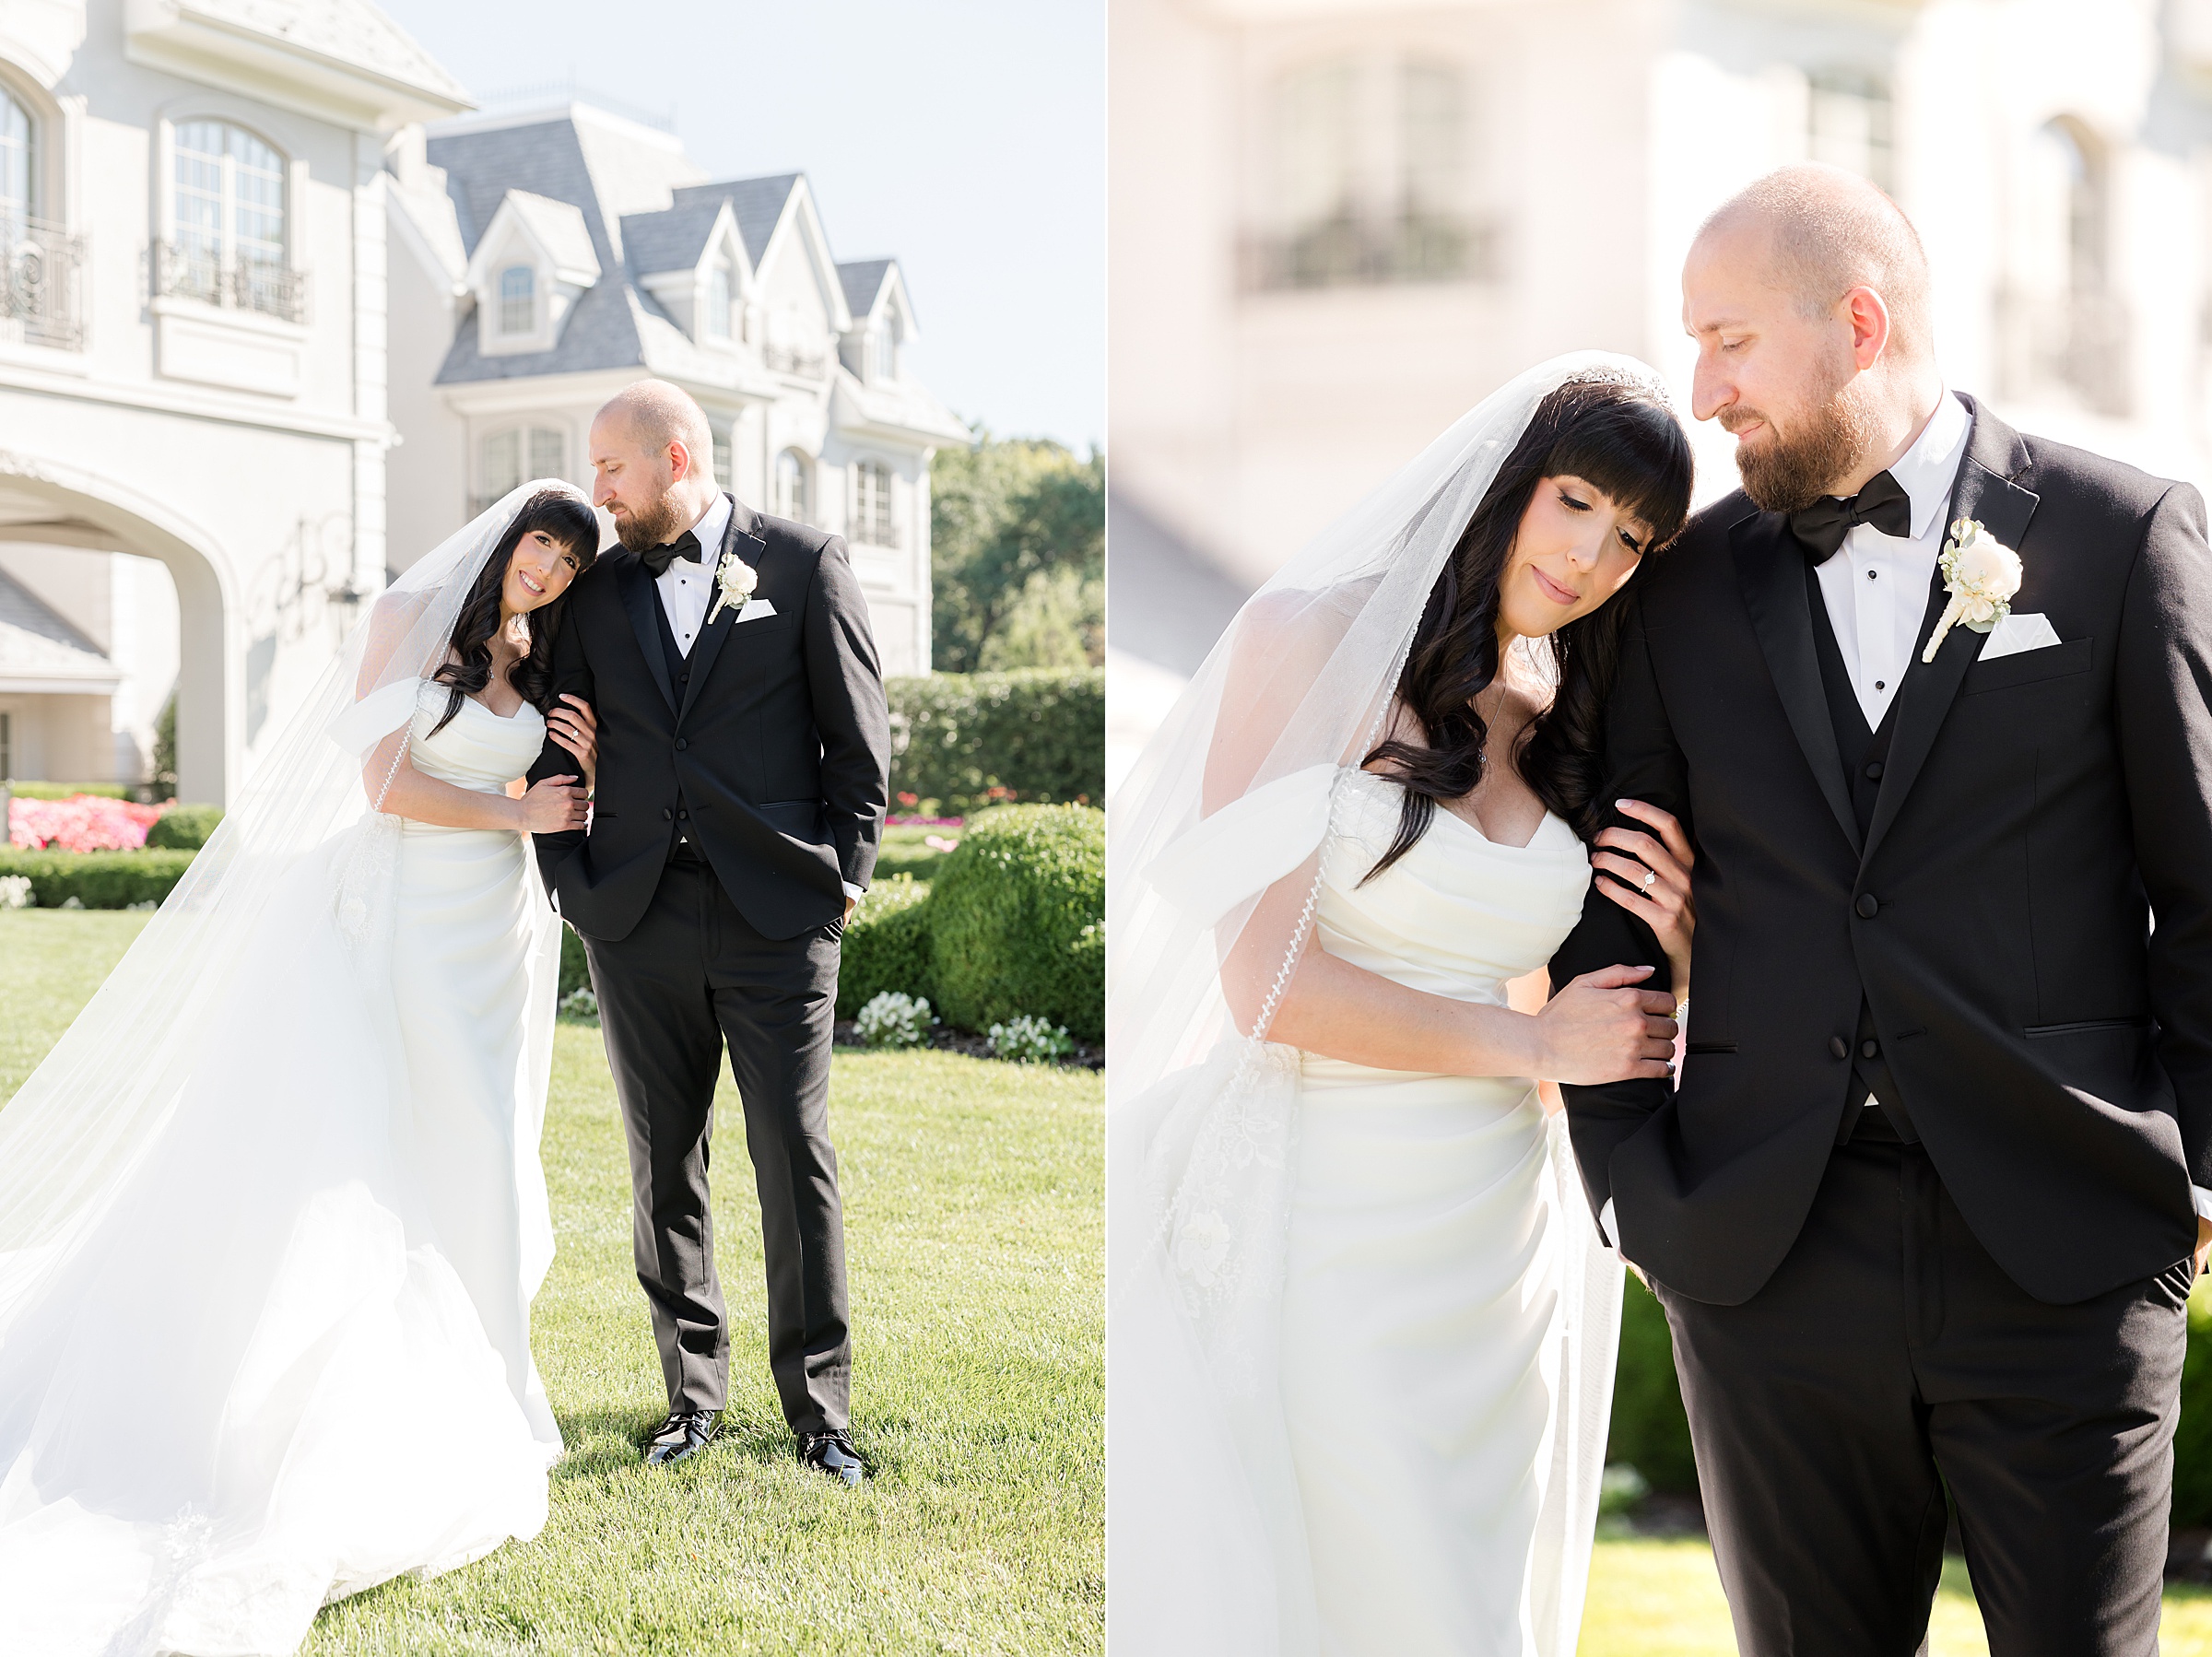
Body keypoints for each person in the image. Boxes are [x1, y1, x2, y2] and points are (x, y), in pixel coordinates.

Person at [1552, 163, 2212, 1657]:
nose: (1702, 391)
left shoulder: (2123, 537)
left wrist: (2197, 1181)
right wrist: (1630, 1180)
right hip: (1761, 1258)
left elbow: (2204, 890)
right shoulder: (1682, 588)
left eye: (1729, 340)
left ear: (1857, 321)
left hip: (2067, 1250)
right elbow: (1606, 886)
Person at [1108, 355, 1696, 1655]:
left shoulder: (1561, 714)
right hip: (1324, 1211)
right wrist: (1528, 1038)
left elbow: (1570, 1019)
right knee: (1356, 1578)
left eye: (1634, 538)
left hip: (1497, 1242)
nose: (1595, 554)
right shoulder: (1304, 638)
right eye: (1579, 502)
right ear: (1509, 481)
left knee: (1472, 1601)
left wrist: (1673, 951)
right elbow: (1261, 979)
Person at [0, 485, 603, 1654]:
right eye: (544, 545)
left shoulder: (538, 654)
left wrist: (573, 766)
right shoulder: (404, 621)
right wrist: (518, 804)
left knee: (482, 1140)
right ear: (505, 536)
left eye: (571, 564)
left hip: (495, 936)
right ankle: (431, 1406)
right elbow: (381, 781)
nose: (552, 573)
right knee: (398, 1151)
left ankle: (495, 1385)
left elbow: (549, 798)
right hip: (404, 924)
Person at [527, 380, 889, 1482]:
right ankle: (691, 1397)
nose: (597, 489)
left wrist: (846, 879)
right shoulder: (594, 594)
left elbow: (858, 743)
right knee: (661, 1166)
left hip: (779, 916)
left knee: (793, 1155)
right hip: (633, 917)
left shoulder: (804, 563)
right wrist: (570, 877)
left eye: (611, 467)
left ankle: (819, 1410)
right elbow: (553, 737)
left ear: (675, 458)